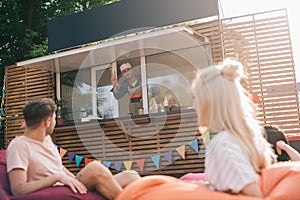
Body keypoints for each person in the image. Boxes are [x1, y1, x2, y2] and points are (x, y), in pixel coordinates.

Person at [6, 98, 140, 200]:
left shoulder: (46, 140)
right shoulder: (19, 145)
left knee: (131, 176)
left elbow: (58, 167)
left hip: (68, 185)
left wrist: (73, 179)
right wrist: (56, 178)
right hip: (58, 191)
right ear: (47, 122)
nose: (55, 122)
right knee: (95, 168)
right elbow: (18, 189)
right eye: (54, 118)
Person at [191, 58, 276, 197]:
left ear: (209, 103)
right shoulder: (239, 138)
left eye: (196, 97)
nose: (193, 103)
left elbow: (255, 194)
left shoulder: (223, 144)